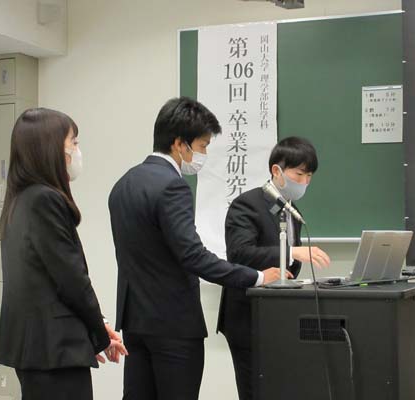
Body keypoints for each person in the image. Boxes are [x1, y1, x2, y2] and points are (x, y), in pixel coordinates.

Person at [108, 97, 285, 400]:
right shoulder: (172, 186)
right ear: (180, 143)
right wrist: (256, 277)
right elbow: (193, 256)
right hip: (173, 325)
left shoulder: (124, 183)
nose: (203, 154)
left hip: (135, 322)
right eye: (202, 146)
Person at [0, 108, 127, 400]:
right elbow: (71, 279)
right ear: (51, 149)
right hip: (54, 349)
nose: (77, 151)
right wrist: (99, 333)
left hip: (37, 346)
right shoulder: (45, 199)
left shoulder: (21, 198)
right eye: (73, 142)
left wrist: (99, 326)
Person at [217, 136, 331, 400]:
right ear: (276, 170)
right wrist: (291, 252)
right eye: (299, 174)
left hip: (279, 317)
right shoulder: (248, 204)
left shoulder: (291, 209)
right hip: (248, 317)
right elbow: (239, 253)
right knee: (254, 391)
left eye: (309, 176)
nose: (304, 182)